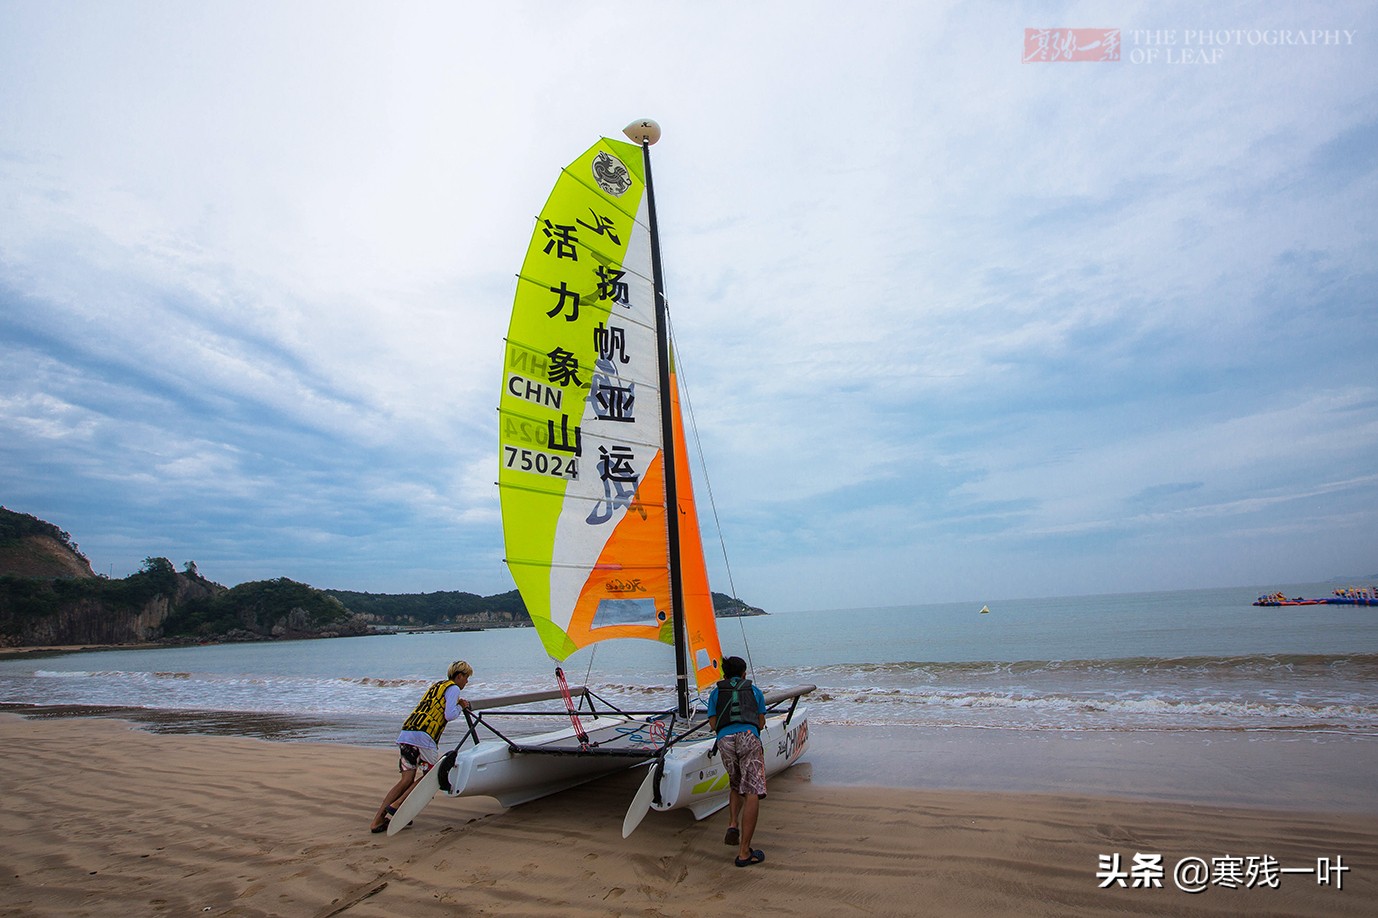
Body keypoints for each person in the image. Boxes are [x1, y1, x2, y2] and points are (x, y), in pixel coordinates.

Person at [370, 659, 473, 833]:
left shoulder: (436, 686)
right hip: (425, 736)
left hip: (407, 733)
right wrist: (461, 706)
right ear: (459, 676)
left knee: (406, 780)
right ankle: (397, 805)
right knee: (431, 777)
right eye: (467, 677)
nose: (467, 681)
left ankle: (377, 820)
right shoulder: (453, 688)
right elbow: (449, 715)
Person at [707, 655, 768, 867]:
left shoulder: (715, 693)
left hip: (724, 740)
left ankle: (733, 823)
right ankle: (744, 853)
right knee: (752, 791)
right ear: (744, 674)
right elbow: (761, 721)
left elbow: (713, 724)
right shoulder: (754, 691)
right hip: (748, 737)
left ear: (724, 675)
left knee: (735, 784)